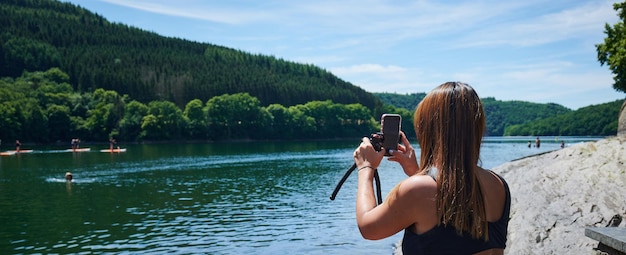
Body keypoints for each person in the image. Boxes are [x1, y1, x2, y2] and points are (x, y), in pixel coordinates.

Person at [353, 82, 510, 254]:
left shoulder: (419, 190)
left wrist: (366, 168)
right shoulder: (498, 184)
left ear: (429, 129)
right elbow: (458, 235)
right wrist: (417, 172)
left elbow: (368, 228)